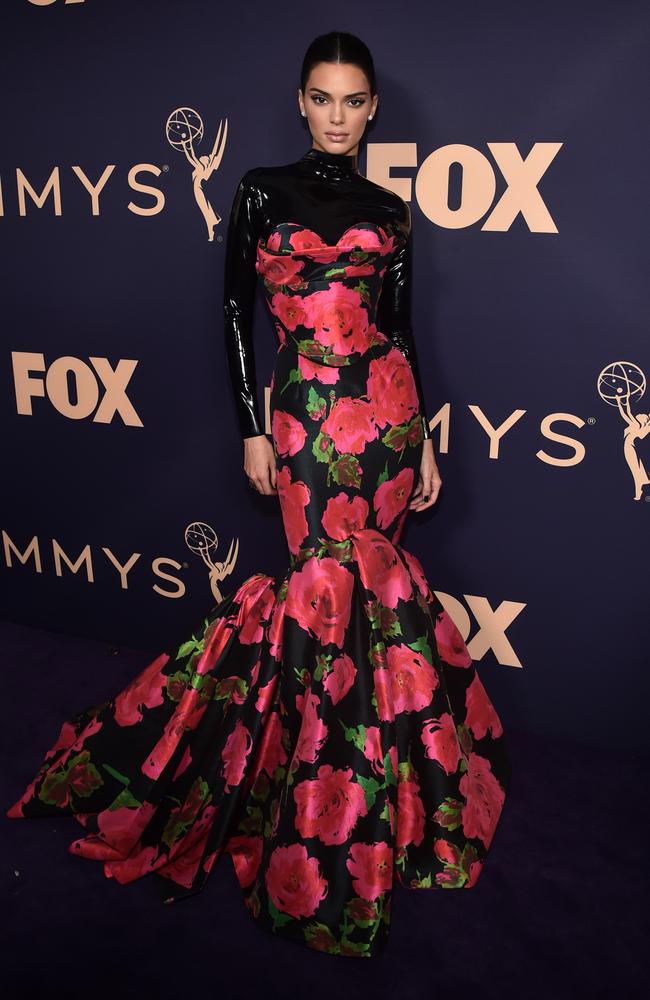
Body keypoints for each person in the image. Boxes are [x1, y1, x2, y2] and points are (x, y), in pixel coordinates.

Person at [6, 31, 511, 960]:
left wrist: (427, 433)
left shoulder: (392, 210)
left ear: (371, 111)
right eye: (322, 97)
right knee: (320, 588)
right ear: (300, 100)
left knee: (376, 593)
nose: (338, 116)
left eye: (354, 101)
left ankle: (377, 793)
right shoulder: (258, 190)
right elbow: (235, 311)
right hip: (306, 415)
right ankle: (312, 797)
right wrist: (252, 426)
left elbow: (397, 332)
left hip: (386, 418)